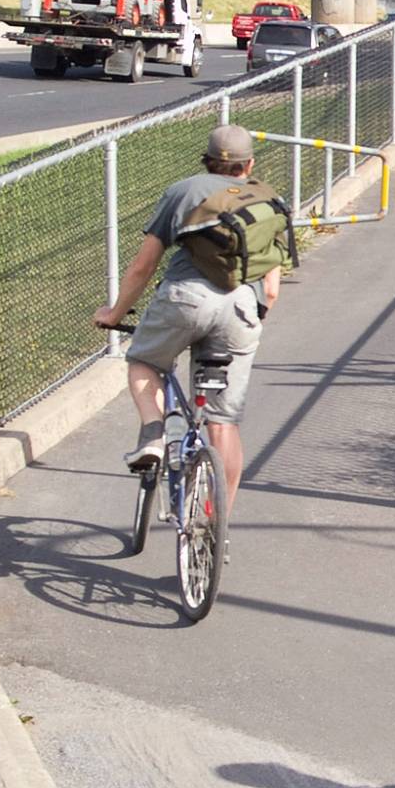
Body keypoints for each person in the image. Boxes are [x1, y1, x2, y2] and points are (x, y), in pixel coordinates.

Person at [92, 124, 282, 513]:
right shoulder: (268, 199)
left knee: (144, 361)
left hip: (186, 300)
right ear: (249, 164)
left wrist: (114, 314)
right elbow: (273, 288)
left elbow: (144, 265)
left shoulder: (184, 191)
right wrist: (251, 319)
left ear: (207, 160)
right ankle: (216, 524)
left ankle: (152, 437)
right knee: (223, 421)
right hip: (243, 307)